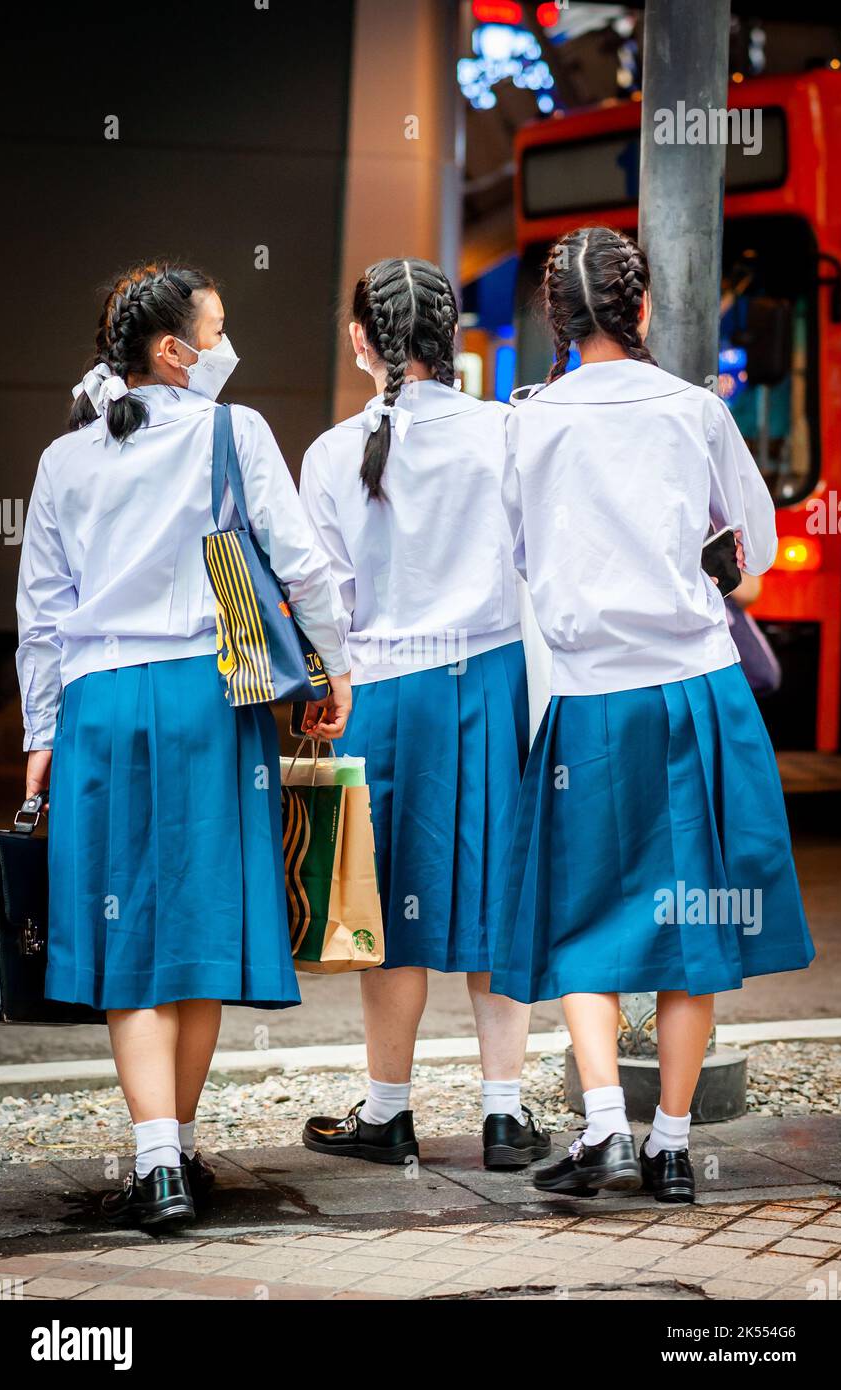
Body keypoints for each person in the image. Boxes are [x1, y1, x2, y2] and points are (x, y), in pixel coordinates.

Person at [16, 262, 351, 1228]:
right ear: (175, 351)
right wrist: (334, 666)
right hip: (212, 695)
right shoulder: (233, 433)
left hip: (99, 708)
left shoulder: (64, 459)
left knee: (128, 931)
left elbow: (43, 612)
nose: (224, 345)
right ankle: (180, 1149)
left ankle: (157, 1158)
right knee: (199, 925)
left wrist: (42, 730)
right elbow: (299, 564)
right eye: (217, 328)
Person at [492, 226, 814, 1203]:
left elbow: (515, 555)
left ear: (555, 319)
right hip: (696, 688)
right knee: (695, 917)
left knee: (577, 913)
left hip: (588, 699)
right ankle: (669, 1144)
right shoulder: (693, 411)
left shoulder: (527, 421)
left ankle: (600, 1125)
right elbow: (749, 541)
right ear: (639, 311)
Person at [297, 257, 550, 1170]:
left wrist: (329, 685)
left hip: (379, 692)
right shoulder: (508, 433)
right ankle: (503, 1115)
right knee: (497, 898)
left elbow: (324, 602)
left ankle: (388, 1113)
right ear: (451, 339)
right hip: (489, 683)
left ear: (362, 340)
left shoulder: (331, 454)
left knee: (384, 909)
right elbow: (536, 562)